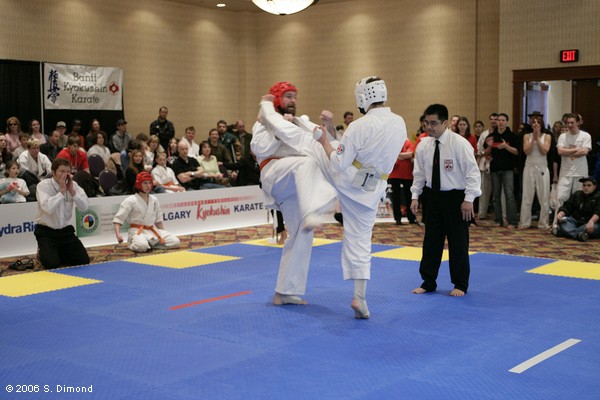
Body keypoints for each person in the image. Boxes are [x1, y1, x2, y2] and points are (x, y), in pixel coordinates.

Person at [315, 76, 406, 318]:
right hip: (373, 187)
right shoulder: (399, 122)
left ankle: (294, 126)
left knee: (313, 145)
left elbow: (339, 161)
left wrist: (323, 140)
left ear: (363, 97)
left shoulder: (358, 126)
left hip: (348, 179)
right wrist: (332, 131)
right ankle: (360, 298)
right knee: (361, 241)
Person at [251, 81, 338, 308]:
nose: (293, 100)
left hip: (296, 185)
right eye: (288, 96)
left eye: (294, 96)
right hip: (275, 173)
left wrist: (330, 125)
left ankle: (285, 291)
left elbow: (325, 142)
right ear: (277, 99)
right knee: (306, 163)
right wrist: (278, 128)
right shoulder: (264, 121)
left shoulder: (302, 121)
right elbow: (258, 149)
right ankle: (312, 210)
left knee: (302, 233)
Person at [410, 104, 481, 297]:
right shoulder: (423, 145)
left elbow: (473, 173)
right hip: (432, 197)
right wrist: (415, 196)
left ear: (445, 123)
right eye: (427, 123)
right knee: (431, 241)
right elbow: (419, 174)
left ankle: (460, 283)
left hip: (456, 198)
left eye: (433, 123)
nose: (429, 127)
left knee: (458, 243)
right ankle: (428, 281)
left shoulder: (459, 143)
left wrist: (469, 199)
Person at [34, 158, 90, 269]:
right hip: (47, 231)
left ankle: (58, 252)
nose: (65, 175)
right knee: (52, 264)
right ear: (53, 172)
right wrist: (62, 191)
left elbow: (84, 207)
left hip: (65, 231)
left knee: (83, 260)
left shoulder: (73, 185)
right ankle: (42, 252)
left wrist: (72, 192)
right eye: (62, 171)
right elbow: (47, 208)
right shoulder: (43, 186)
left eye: (68, 171)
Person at [113, 171, 180, 252]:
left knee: (175, 242)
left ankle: (151, 244)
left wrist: (162, 233)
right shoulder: (130, 200)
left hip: (152, 230)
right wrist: (118, 234)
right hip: (137, 231)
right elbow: (118, 219)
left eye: (149, 183)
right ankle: (133, 243)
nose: (148, 186)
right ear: (138, 184)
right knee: (142, 247)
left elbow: (158, 220)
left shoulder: (154, 199)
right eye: (145, 183)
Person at [554, 113, 592, 226]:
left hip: (580, 172)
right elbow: (560, 151)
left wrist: (567, 151)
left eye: (572, 123)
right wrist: (576, 150)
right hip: (565, 172)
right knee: (561, 198)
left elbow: (585, 151)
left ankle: (575, 224)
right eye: (568, 123)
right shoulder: (563, 136)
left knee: (579, 200)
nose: (570, 125)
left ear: (578, 123)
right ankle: (557, 223)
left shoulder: (585, 136)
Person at [485, 113, 518, 228]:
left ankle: (512, 221)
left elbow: (516, 152)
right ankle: (498, 220)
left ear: (506, 122)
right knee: (496, 196)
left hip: (508, 169)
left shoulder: (512, 135)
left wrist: (506, 146)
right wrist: (489, 146)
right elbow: (486, 152)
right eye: (499, 120)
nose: (500, 122)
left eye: (503, 120)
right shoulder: (492, 135)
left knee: (509, 195)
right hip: (495, 169)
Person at [519, 115, 551, 229]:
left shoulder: (547, 136)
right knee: (527, 195)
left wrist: (538, 138)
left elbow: (544, 151)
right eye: (534, 122)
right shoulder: (526, 136)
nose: (536, 124)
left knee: (544, 196)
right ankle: (524, 222)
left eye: (538, 122)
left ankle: (543, 223)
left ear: (541, 124)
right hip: (529, 166)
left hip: (542, 167)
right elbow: (527, 151)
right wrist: (533, 138)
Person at [552, 176, 599, 241]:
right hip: (576, 221)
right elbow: (568, 206)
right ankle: (577, 235)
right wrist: (561, 213)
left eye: (589, 185)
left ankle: (564, 232)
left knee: (593, 227)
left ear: (594, 186)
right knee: (563, 221)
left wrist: (591, 221)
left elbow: (598, 212)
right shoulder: (577, 194)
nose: (586, 187)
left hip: (591, 223)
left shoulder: (598, 196)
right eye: (584, 185)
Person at [388, 138, 417, 225]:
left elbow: (411, 154)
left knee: (409, 196)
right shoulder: (391, 142)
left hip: (407, 173)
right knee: (396, 197)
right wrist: (403, 155)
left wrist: (397, 155)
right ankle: (398, 218)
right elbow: (389, 154)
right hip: (395, 173)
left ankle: (411, 218)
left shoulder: (408, 142)